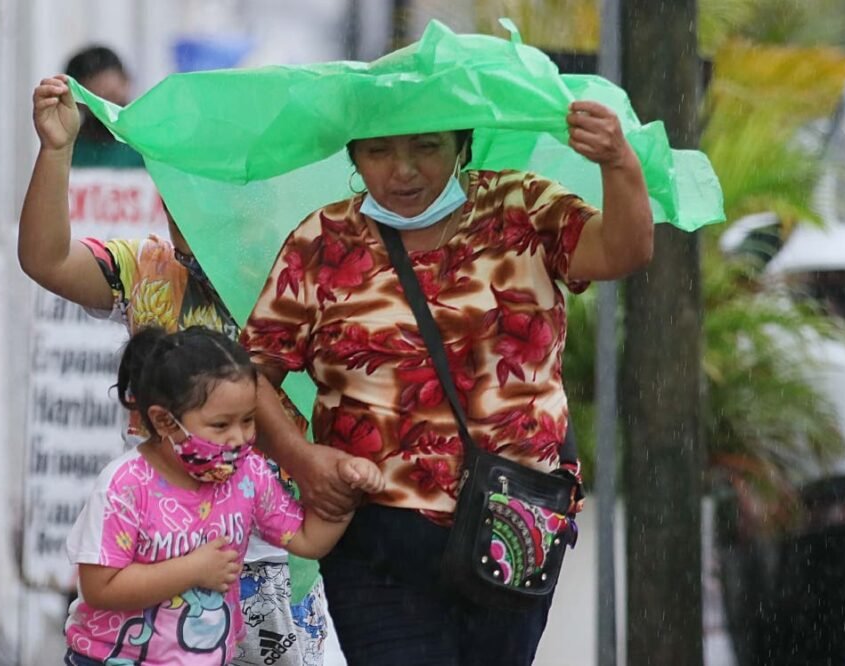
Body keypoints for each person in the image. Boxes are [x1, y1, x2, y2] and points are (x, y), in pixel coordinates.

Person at [241, 108, 654, 665]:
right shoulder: (323, 241)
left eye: (426, 147)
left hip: (516, 522)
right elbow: (249, 376)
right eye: (379, 151)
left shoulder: (522, 208)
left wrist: (618, 163)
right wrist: (305, 460)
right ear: (353, 156)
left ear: (462, 143)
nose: (402, 171)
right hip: (374, 537)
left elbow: (623, 251)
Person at [20, 74, 336, 666]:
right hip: (155, 552)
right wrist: (56, 150)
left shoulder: (304, 278)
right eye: (179, 191)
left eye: (217, 191)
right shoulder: (146, 269)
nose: (192, 211)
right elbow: (46, 259)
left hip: (276, 550)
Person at [63, 326, 384, 665]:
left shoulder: (247, 475)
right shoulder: (124, 487)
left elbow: (306, 539)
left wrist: (347, 492)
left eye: (247, 420)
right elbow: (100, 587)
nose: (239, 438)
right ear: (164, 421)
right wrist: (193, 570)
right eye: (220, 425)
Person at [64, 45, 145, 168]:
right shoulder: (67, 149)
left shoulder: (150, 142)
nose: (109, 112)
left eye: (113, 96)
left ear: (127, 82)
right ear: (75, 100)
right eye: (97, 103)